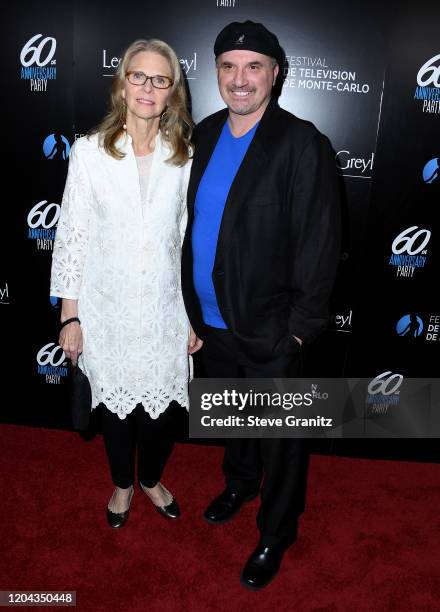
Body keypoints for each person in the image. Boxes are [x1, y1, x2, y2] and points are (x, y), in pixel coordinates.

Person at [182, 21, 341, 589]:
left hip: (273, 329)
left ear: (276, 72)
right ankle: (238, 483)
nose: (239, 79)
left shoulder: (302, 143)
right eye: (228, 66)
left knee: (282, 440)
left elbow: (320, 241)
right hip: (209, 324)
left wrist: (298, 331)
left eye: (253, 66)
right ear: (217, 73)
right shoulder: (200, 135)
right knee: (232, 418)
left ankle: (277, 530)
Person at [50, 38, 202, 529]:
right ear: (123, 83)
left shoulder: (185, 156)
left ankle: (151, 480)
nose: (147, 87)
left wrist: (191, 314)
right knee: (115, 409)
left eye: (160, 79)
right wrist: (69, 314)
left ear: (171, 92)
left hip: (164, 307)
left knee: (160, 413)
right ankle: (121, 485)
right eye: (138, 76)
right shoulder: (89, 153)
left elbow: (187, 240)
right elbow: (72, 235)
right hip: (106, 307)